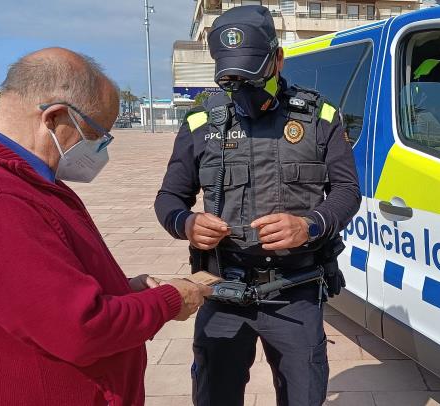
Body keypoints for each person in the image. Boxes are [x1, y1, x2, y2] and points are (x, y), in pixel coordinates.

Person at [0, 48, 212, 406]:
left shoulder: (10, 177)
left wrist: (119, 288)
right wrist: (172, 298)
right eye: (98, 134)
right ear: (55, 118)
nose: (101, 149)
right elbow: (82, 329)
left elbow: (36, 296)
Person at [155, 6, 361, 406]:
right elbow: (169, 199)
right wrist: (186, 223)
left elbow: (347, 192)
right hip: (222, 290)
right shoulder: (202, 123)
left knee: (303, 396)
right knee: (215, 394)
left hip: (295, 293)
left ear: (278, 60)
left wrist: (312, 225)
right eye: (230, 78)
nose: (242, 87)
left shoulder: (320, 118)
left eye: (251, 75)